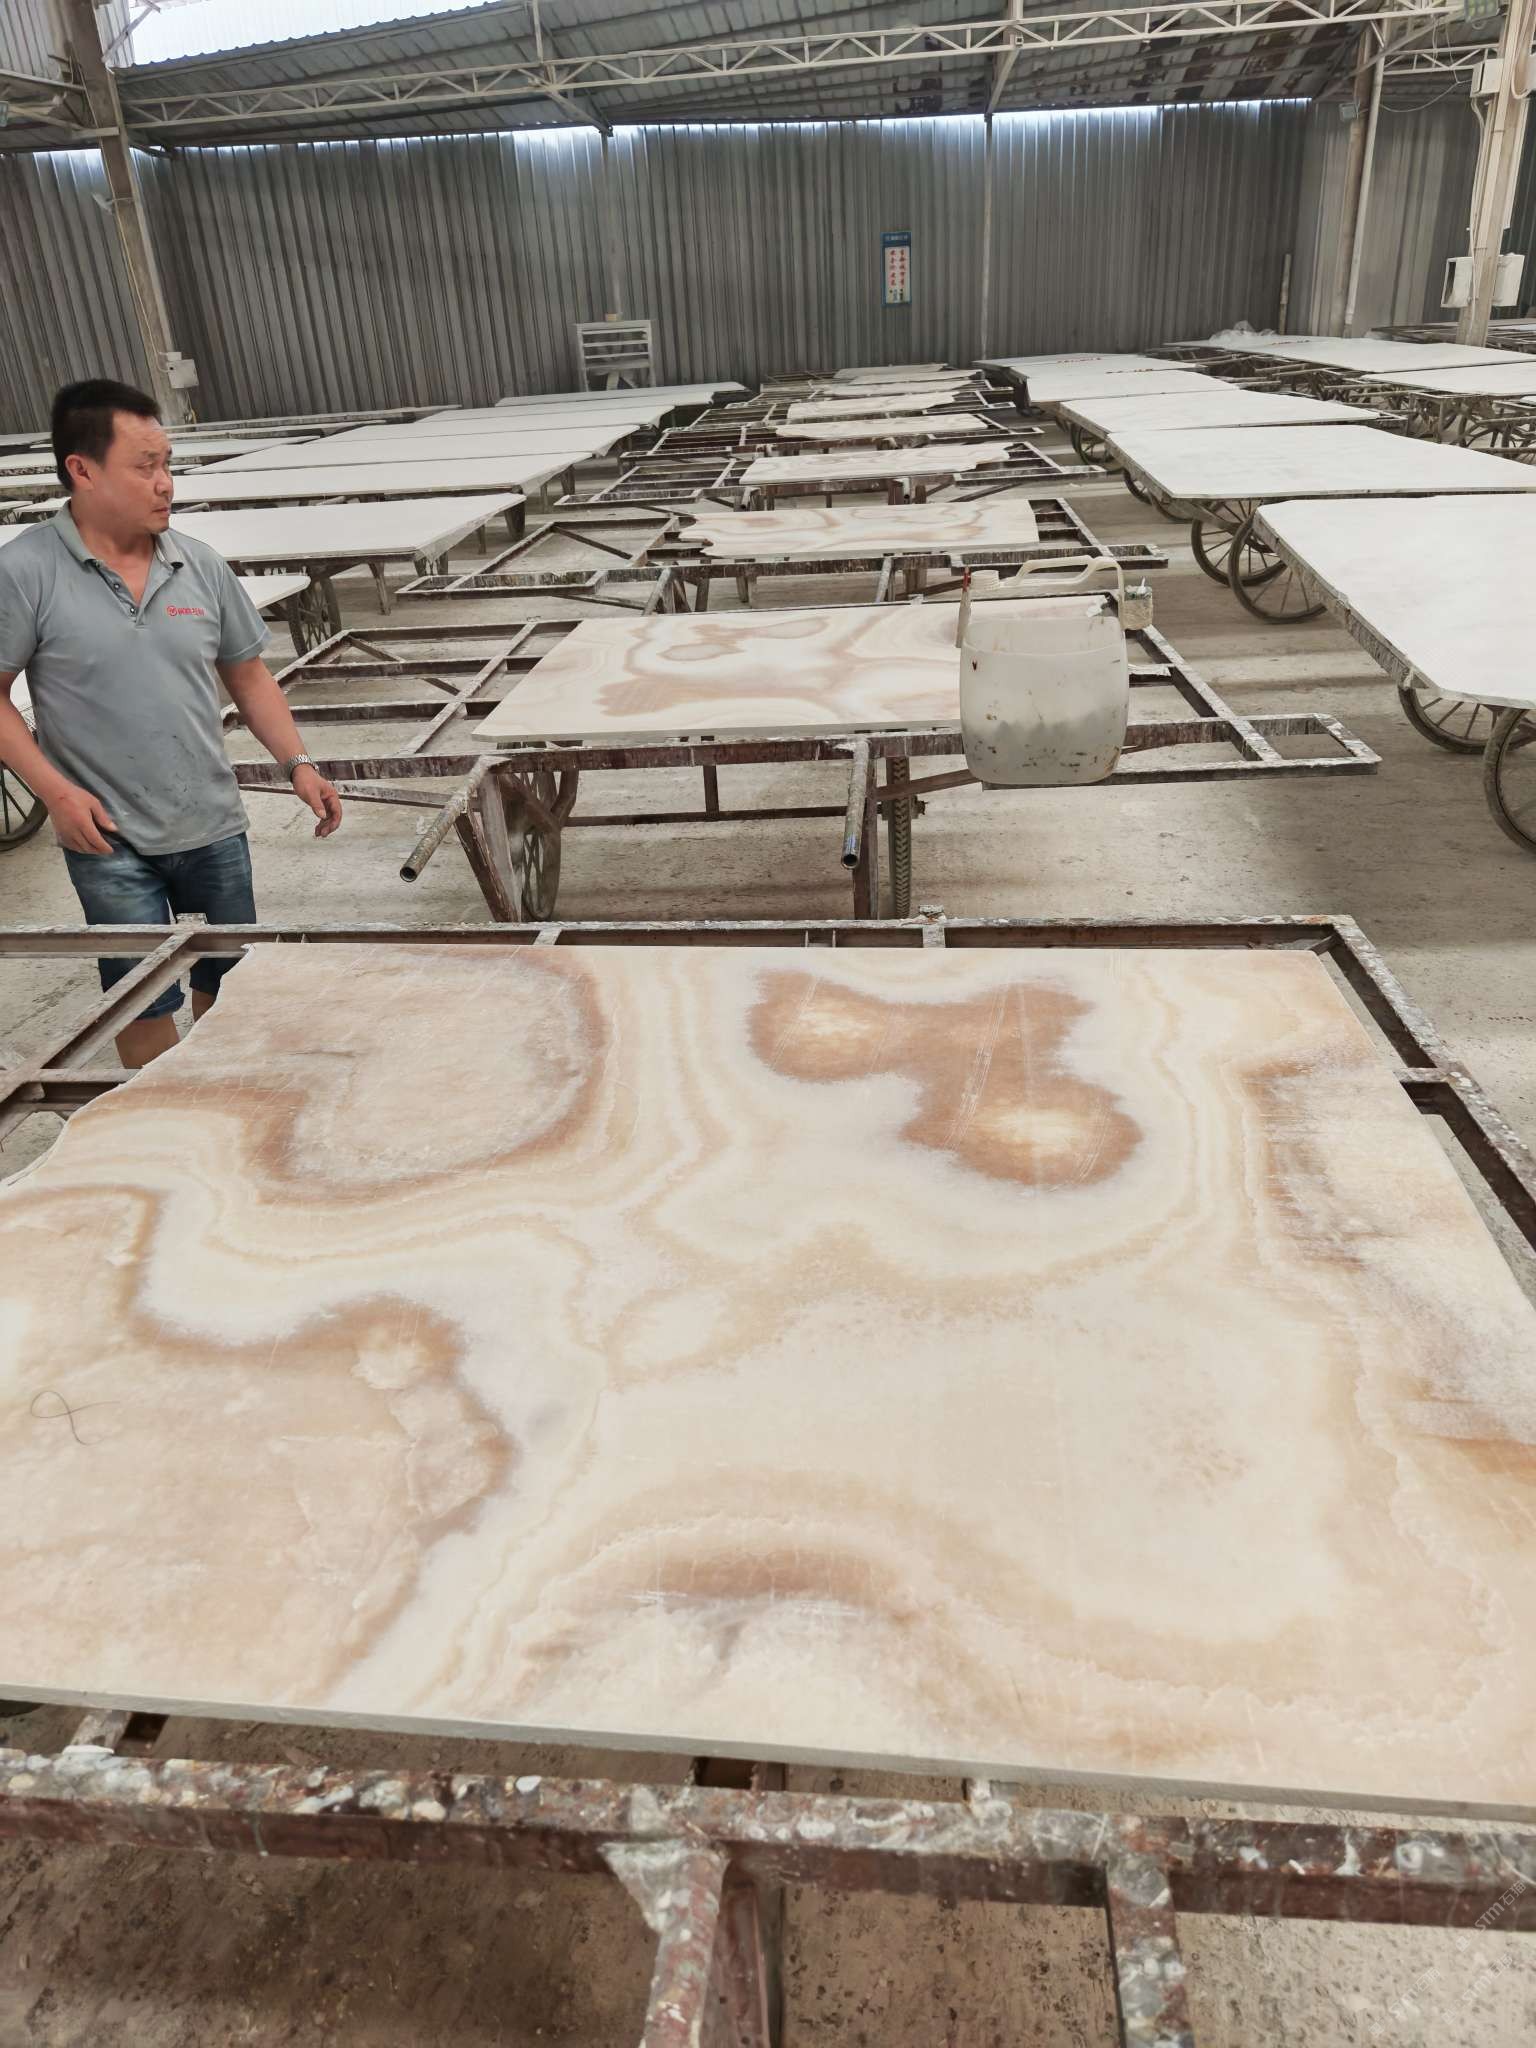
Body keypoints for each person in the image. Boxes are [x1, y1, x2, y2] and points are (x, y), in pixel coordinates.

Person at [0, 378, 342, 1069]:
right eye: (144, 466)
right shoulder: (24, 572)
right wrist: (55, 793)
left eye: (167, 464)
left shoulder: (199, 564)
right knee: (140, 1000)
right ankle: (157, 1114)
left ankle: (221, 1101)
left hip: (211, 821)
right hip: (106, 835)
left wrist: (298, 762)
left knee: (231, 985)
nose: (165, 484)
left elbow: (248, 676)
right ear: (82, 470)